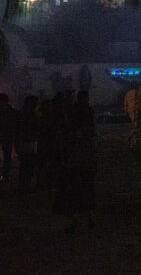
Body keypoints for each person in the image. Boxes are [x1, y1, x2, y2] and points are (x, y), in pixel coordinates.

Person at [53, 90, 97, 232]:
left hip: (75, 160)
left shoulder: (69, 119)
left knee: (74, 189)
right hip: (82, 159)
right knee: (85, 188)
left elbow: (64, 140)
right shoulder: (82, 119)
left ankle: (78, 218)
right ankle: (88, 217)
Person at [16, 94, 42, 192]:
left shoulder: (23, 113)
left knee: (26, 164)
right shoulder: (31, 115)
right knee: (28, 164)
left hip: (27, 141)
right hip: (28, 141)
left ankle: (24, 185)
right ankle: (25, 185)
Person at [0, 92, 15, 181]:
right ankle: (5, 175)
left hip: (6, 136)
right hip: (6, 136)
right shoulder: (11, 111)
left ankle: (5, 174)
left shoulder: (11, 112)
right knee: (7, 156)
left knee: (7, 156)